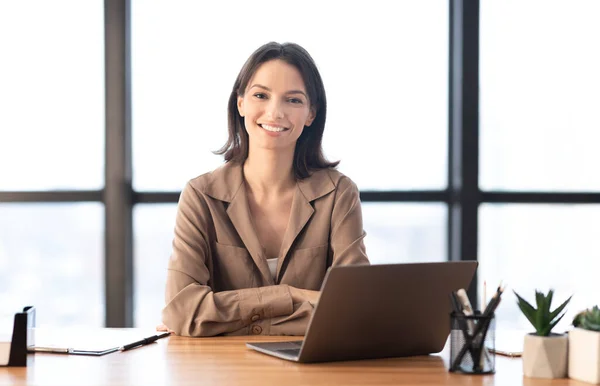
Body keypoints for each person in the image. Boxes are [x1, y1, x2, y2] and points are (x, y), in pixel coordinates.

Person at [160, 42, 369, 337]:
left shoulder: (339, 194)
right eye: (261, 95)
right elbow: (183, 310)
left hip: (314, 374)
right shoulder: (201, 195)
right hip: (223, 373)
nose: (275, 112)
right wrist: (294, 296)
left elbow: (356, 309)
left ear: (311, 113)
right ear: (241, 103)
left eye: (293, 100)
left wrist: (219, 320)